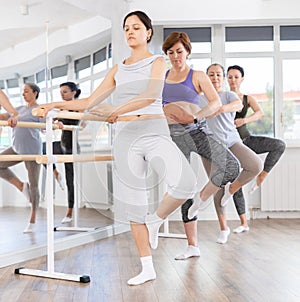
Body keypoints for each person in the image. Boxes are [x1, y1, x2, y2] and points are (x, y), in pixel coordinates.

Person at [37, 11, 197, 286]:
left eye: (136, 27)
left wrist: (116, 110)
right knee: (134, 205)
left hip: (153, 131)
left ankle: (155, 220)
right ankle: (147, 266)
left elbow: (149, 95)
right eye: (126, 28)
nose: (130, 32)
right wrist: (54, 106)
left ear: (148, 32)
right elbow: (88, 103)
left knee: (186, 184)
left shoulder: (158, 62)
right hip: (125, 139)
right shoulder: (117, 69)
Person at [161, 32, 240, 259]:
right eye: (171, 52)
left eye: (179, 51)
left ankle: (200, 200)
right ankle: (192, 246)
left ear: (187, 51)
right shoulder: (163, 77)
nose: (175, 56)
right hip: (173, 137)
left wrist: (195, 117)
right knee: (184, 186)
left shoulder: (196, 75)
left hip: (196, 131)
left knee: (231, 167)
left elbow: (215, 102)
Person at [198, 63, 263, 243]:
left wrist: (218, 108)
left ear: (223, 77)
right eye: (211, 74)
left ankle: (232, 189)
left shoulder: (229, 95)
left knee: (255, 165)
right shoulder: (199, 99)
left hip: (231, 140)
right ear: (206, 77)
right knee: (216, 183)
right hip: (210, 147)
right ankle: (223, 228)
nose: (215, 77)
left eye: (218, 74)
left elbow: (236, 105)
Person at [227, 65, 286, 233]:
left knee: (279, 145)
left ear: (242, 79)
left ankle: (262, 176)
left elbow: (260, 113)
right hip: (231, 145)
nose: (233, 80)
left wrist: (244, 121)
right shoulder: (223, 97)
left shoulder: (247, 98)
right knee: (236, 182)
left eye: (236, 77)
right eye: (230, 77)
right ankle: (243, 222)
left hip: (247, 140)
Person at [0, 83, 44, 233]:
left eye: (26, 91)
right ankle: (20, 186)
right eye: (22, 92)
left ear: (35, 93)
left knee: (34, 185)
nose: (23, 94)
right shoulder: (18, 109)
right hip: (16, 149)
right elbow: (3, 116)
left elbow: (45, 126)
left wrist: (56, 123)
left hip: (32, 151)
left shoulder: (38, 110)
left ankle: (32, 219)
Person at [42, 82, 81, 223]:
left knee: (70, 179)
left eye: (65, 91)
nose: (62, 94)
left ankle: (70, 211)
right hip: (62, 144)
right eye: (61, 91)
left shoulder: (77, 106)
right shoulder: (61, 107)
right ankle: (56, 174)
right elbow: (54, 118)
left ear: (73, 93)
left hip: (71, 147)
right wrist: (51, 123)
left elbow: (74, 121)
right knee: (44, 149)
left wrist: (60, 120)